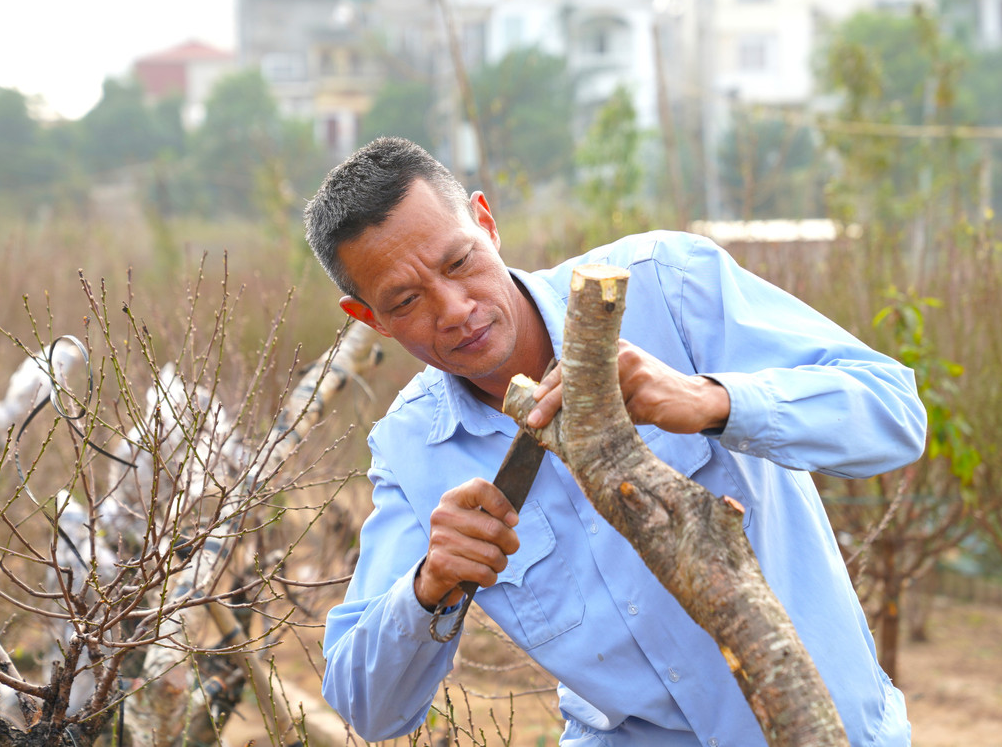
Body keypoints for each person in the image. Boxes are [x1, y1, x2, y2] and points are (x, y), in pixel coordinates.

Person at [304, 137, 927, 746]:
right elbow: (368, 708)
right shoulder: (414, 449)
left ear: (487, 223)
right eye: (406, 300)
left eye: (459, 262)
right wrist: (428, 585)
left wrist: (712, 400)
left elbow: (895, 414)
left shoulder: (668, 287)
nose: (454, 308)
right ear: (369, 319)